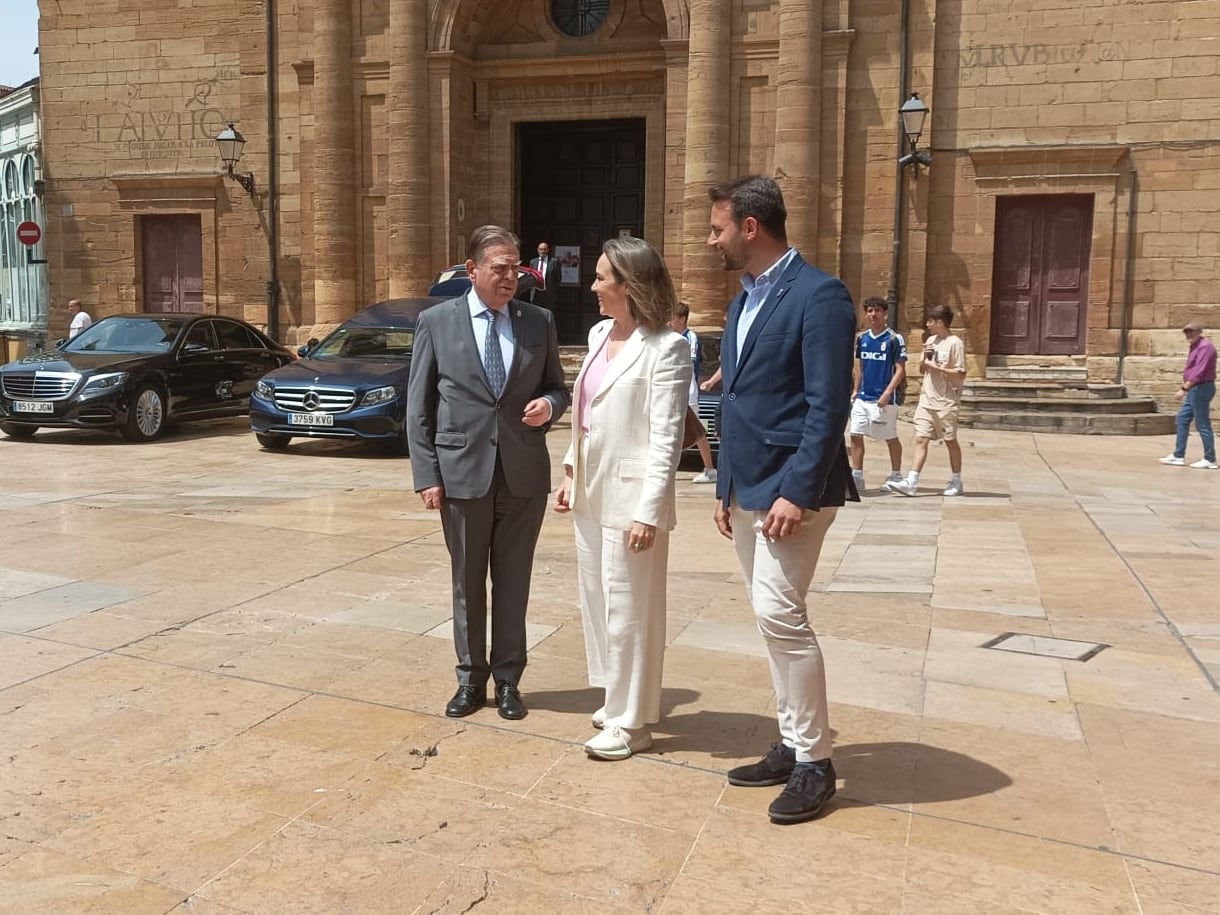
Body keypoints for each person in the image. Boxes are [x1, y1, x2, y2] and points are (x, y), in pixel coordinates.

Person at [706, 174, 858, 825]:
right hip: (746, 484)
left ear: (749, 226)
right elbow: (737, 399)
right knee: (770, 616)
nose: (709, 240)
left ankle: (816, 762)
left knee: (780, 611)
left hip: (792, 488)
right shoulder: (741, 301)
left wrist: (797, 489)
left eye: (716, 228)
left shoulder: (820, 296)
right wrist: (724, 484)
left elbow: (829, 403)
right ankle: (794, 740)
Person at [406, 225, 570, 721]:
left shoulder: (537, 321)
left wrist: (549, 404)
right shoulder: (437, 322)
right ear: (471, 270)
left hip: (522, 475)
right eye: (499, 267)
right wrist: (427, 474)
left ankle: (508, 681)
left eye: (516, 266)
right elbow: (420, 407)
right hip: (461, 474)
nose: (510, 276)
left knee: (514, 583)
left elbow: (559, 388)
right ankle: (469, 679)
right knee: (467, 582)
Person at [554, 237, 691, 760]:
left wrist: (649, 511)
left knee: (631, 610)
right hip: (592, 490)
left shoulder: (667, 347)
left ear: (629, 285)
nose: (592, 287)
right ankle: (616, 700)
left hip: (634, 499)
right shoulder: (596, 334)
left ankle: (633, 723)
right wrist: (570, 474)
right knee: (599, 601)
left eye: (601, 278)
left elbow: (665, 437)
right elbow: (586, 418)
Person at [886, 305, 967, 497]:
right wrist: (925, 361)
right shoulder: (930, 340)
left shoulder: (955, 343)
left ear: (940, 322)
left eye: (930, 321)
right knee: (921, 439)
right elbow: (923, 369)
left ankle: (956, 479)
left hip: (946, 401)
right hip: (926, 399)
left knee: (950, 440)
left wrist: (938, 368)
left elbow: (960, 374)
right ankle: (912, 481)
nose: (927, 325)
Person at [849, 296, 907, 492]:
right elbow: (860, 366)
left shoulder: (893, 339)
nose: (873, 315)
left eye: (877, 311)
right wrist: (856, 389)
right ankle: (857, 476)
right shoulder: (862, 338)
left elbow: (900, 369)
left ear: (885, 313)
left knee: (889, 436)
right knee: (855, 434)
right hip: (863, 397)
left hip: (884, 399)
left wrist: (887, 393)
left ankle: (896, 474)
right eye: (870, 311)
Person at [669, 301, 717, 483]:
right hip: (676, 392)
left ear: (682, 319)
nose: (670, 322)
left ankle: (710, 469)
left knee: (696, 432)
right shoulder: (672, 337)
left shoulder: (690, 338)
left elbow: (687, 364)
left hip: (687, 393)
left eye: (672, 318)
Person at [1159, 322, 1217, 469]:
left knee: (1202, 423)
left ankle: (1210, 459)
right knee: (1182, 419)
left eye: (1192, 332)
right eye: (1186, 332)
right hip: (1195, 389)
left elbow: (1199, 371)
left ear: (1200, 332)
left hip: (1201, 388)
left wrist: (1184, 389)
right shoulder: (1195, 346)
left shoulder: (1205, 347)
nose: (1189, 335)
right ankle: (1178, 455)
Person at [530, 242, 561, 308]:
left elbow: (558, 278)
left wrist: (552, 288)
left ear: (548, 250)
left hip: (548, 293)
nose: (542, 251)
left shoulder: (554, 262)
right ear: (538, 250)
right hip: (536, 293)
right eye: (541, 249)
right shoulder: (533, 262)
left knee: (548, 313)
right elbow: (530, 276)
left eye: (544, 249)